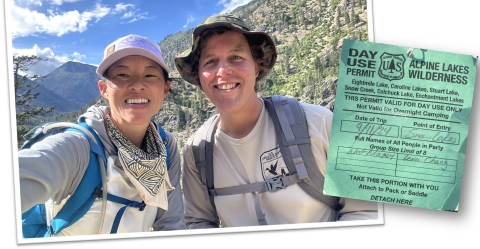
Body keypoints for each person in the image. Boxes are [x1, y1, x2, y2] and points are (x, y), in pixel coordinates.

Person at [175, 14, 378, 228]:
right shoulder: (197, 151)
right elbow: (199, 222)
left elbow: (366, 209)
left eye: (236, 57)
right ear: (199, 75)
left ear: (256, 66)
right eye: (210, 61)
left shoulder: (317, 123)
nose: (223, 71)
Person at [18, 34, 186, 235]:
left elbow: (171, 225)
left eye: (150, 75)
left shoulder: (166, 146)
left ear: (166, 88)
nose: (137, 85)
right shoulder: (78, 147)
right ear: (103, 89)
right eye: (122, 75)